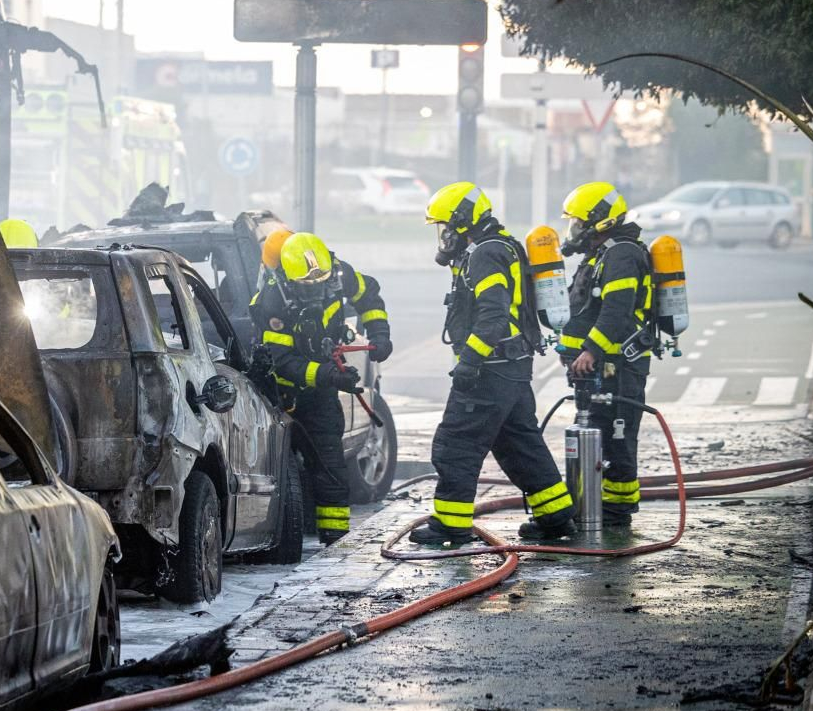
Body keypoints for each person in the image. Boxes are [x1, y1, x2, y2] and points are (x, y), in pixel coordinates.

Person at [411, 182, 577, 545]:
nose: (444, 236)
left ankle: (450, 526)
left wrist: (469, 361)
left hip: (491, 369)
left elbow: (493, 316)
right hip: (512, 367)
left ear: (461, 221)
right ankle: (556, 517)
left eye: (446, 226)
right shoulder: (500, 247)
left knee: (455, 445)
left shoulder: (486, 254)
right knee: (519, 445)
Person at [249, 232, 392, 544]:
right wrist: (329, 376)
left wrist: (379, 334)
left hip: (322, 386)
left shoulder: (338, 274)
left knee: (330, 461)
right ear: (286, 276)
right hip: (279, 394)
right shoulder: (273, 302)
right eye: (306, 283)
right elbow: (283, 362)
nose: (315, 288)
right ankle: (285, 537)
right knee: (281, 468)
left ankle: (335, 538)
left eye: (320, 280)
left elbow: (370, 297)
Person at [557, 180, 654, 527]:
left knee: (618, 437)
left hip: (621, 367)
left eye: (579, 223)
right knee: (599, 432)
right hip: (603, 366)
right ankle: (599, 503)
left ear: (601, 221)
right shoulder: (602, 254)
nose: (575, 230)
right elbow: (585, 308)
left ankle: (618, 511)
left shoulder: (623, 254)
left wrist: (591, 351)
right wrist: (571, 350)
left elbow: (616, 311)